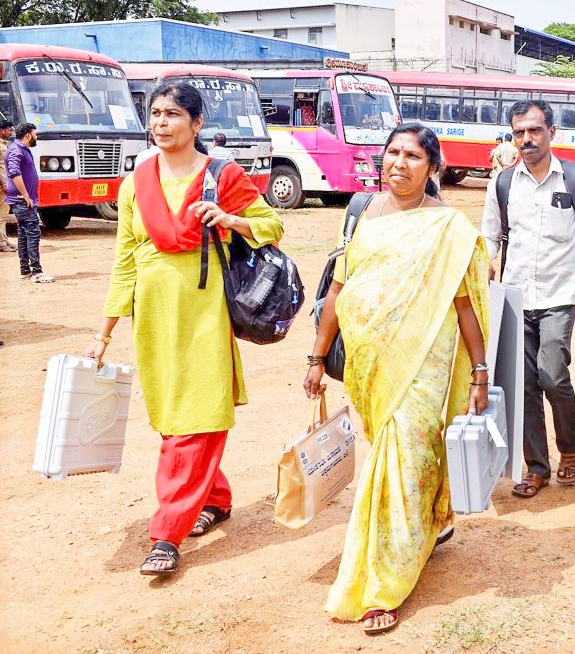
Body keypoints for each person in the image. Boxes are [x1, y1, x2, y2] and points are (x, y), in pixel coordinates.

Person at [83, 82, 284, 577]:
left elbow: (272, 225)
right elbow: (124, 262)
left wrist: (231, 218)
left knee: (194, 421)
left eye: (173, 114)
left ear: (197, 123)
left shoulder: (222, 174)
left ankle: (167, 533)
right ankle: (214, 499)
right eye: (154, 113)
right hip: (152, 317)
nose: (161, 123)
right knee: (176, 418)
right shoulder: (136, 182)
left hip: (204, 313)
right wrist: (103, 332)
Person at [303, 122, 490, 635]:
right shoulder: (364, 216)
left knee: (404, 462)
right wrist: (317, 359)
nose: (399, 163)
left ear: (433, 168)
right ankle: (428, 526)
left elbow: (464, 305)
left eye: (412, 156)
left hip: (424, 367)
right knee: (401, 463)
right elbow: (339, 292)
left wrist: (478, 371)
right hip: (371, 367)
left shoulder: (448, 228)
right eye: (392, 153)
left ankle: (384, 583)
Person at [481, 100, 575, 498]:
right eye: (518, 133)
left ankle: (570, 448)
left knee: (552, 374)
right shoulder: (502, 184)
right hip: (514, 297)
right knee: (522, 385)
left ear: (552, 132)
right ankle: (536, 466)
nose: (526, 140)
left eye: (534, 131)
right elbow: (488, 240)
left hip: (559, 295)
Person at [5, 123, 53, 283]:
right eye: (35, 134)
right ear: (27, 135)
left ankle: (25, 270)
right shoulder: (17, 150)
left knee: (24, 234)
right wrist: (25, 194)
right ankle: (36, 272)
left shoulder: (19, 149)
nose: (36, 137)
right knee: (33, 233)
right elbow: (13, 172)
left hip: (22, 200)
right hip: (22, 200)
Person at [0, 120, 17, 252]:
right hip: (1, 184)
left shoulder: (4, 144)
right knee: (1, 214)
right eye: (9, 130)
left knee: (4, 214)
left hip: (5, 183)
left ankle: (4, 240)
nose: (11, 132)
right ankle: (1, 243)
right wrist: (4, 182)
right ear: (2, 130)